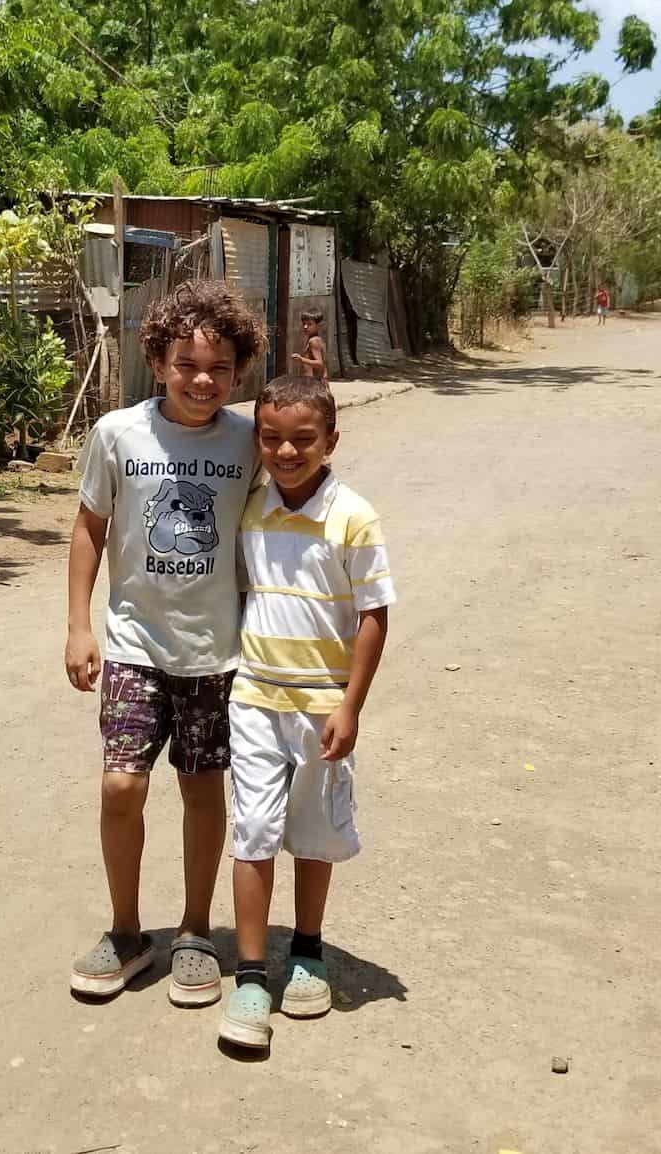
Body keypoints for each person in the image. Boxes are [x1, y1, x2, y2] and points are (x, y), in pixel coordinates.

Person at [65, 280, 266, 1007]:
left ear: (239, 372)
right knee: (121, 783)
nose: (202, 380)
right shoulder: (118, 433)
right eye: (185, 364)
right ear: (157, 361)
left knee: (202, 788)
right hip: (132, 644)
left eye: (218, 367)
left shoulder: (251, 439)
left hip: (218, 650)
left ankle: (191, 932)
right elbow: (90, 526)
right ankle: (126, 933)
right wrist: (79, 624)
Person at [218, 374, 395, 1051]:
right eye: (271, 439)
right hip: (257, 697)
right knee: (254, 829)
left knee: (314, 833)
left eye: (302, 440)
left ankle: (309, 952)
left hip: (322, 704)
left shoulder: (353, 516)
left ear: (331, 441)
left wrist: (351, 707)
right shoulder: (252, 507)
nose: (286, 452)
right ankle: (253, 976)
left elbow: (376, 614)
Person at [289, 310, 330, 383]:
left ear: (318, 325)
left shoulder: (314, 341)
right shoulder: (315, 339)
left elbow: (319, 363)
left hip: (314, 384)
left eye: (309, 324)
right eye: (304, 324)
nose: (305, 327)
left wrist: (301, 359)